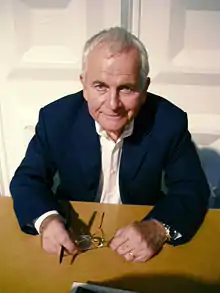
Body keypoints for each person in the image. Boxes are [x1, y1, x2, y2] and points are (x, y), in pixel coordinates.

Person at [10, 27, 210, 263]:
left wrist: (158, 228)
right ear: (83, 85)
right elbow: (27, 180)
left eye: (126, 88)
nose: (113, 104)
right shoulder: (56, 119)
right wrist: (47, 220)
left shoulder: (169, 122)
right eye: (100, 86)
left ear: (145, 89)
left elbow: (192, 188)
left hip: (141, 241)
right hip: (74, 238)